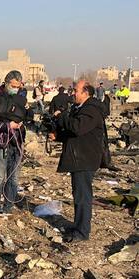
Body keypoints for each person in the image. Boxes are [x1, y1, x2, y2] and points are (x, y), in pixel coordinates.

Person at [52, 80, 104, 243]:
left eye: (76, 90)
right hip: (80, 158)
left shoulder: (92, 110)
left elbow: (77, 128)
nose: (72, 93)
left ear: (85, 92)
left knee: (83, 196)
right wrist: (58, 136)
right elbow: (74, 132)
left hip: (85, 159)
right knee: (79, 195)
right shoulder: (80, 109)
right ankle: (78, 226)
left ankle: (82, 232)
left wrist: (61, 116)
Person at [0, 70, 31, 215]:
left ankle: (9, 205)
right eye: (13, 85)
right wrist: (7, 126)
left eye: (18, 86)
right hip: (0, 141)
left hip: (16, 141)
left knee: (14, 177)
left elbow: (28, 114)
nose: (16, 88)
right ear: (6, 82)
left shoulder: (21, 97)